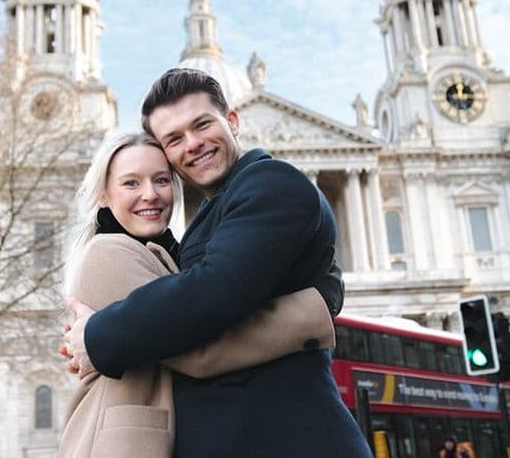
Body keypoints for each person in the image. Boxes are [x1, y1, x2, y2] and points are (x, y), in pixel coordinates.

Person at [64, 68, 372, 457]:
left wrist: (96, 335)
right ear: (104, 195)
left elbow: (209, 298)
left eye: (202, 125)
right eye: (174, 138)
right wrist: (313, 310)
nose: (191, 144)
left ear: (233, 122)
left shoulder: (270, 183)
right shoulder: (126, 247)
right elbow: (196, 318)